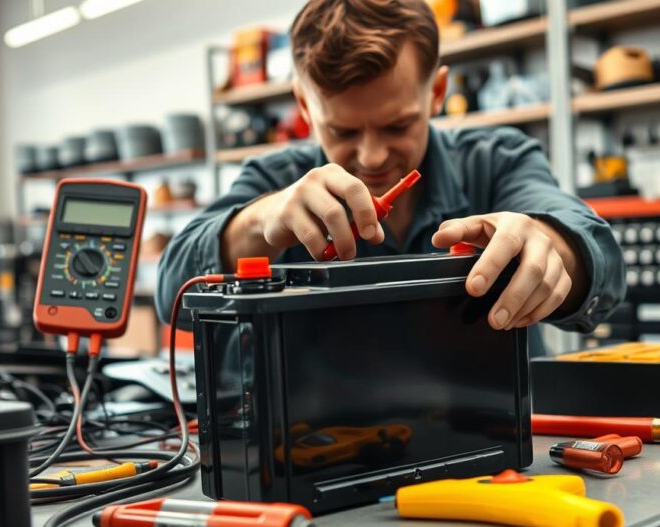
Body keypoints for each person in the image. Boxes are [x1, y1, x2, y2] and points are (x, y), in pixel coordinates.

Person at [157, 0, 624, 350]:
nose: (373, 156)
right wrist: (257, 225)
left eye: (397, 125)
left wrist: (549, 245)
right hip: (330, 455)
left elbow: (604, 266)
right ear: (304, 105)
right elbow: (170, 295)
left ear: (437, 91)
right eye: (342, 130)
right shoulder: (274, 179)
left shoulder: (497, 160)